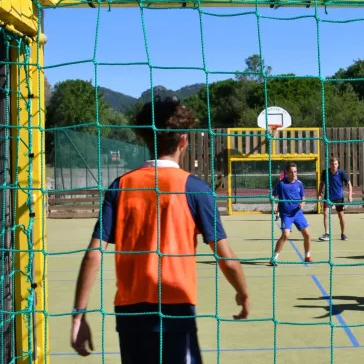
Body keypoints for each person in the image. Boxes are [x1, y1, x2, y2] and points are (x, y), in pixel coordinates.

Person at [70, 97, 250, 363]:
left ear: (145, 139)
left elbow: (93, 255)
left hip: (129, 313)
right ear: (183, 141)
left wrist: (78, 315)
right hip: (176, 310)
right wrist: (242, 293)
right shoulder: (195, 188)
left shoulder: (120, 186)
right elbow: (226, 258)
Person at [271, 162, 313, 265]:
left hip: (298, 214)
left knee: (307, 234)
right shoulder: (281, 184)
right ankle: (274, 258)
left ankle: (307, 256)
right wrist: (275, 205)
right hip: (286, 215)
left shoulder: (299, 183)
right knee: (285, 235)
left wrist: (302, 204)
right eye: (291, 172)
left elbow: (303, 197)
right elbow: (273, 196)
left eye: (295, 172)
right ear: (286, 173)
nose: (294, 174)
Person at [318, 157, 353, 241]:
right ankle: (327, 234)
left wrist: (350, 195)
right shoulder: (325, 172)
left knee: (341, 216)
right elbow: (321, 184)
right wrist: (319, 194)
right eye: (332, 164)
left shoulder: (341, 173)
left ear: (338, 165)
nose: (334, 166)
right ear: (330, 165)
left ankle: (343, 234)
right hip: (328, 197)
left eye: (336, 164)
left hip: (339, 198)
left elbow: (349, 184)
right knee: (326, 213)